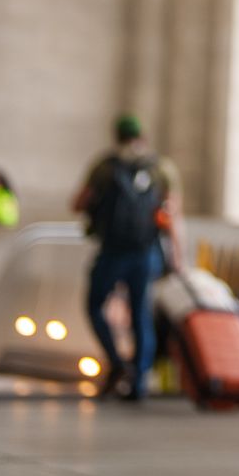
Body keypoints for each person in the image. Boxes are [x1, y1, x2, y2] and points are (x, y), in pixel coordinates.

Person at [71, 114, 180, 402]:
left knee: (95, 305)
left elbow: (78, 203)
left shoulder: (105, 167)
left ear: (116, 135)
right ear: (142, 135)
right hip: (145, 253)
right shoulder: (160, 168)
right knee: (140, 314)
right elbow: (172, 216)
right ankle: (139, 379)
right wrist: (177, 257)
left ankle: (117, 362)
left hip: (113, 251)